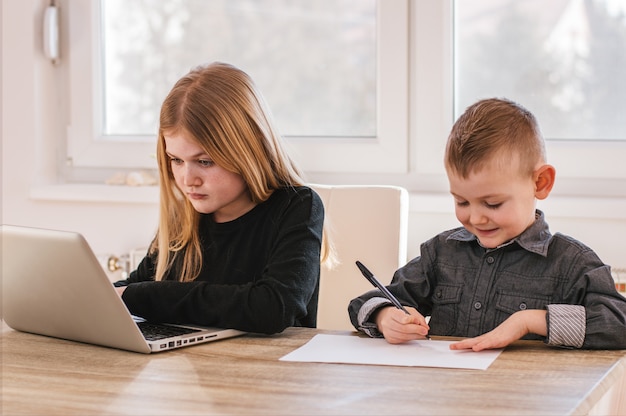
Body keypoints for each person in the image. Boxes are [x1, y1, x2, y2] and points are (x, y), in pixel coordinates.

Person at [348, 97, 626, 350]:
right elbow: (365, 303)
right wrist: (386, 317)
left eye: (493, 204)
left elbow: (619, 324)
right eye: (462, 202)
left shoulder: (571, 263)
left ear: (540, 183)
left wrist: (529, 321)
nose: (476, 218)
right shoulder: (441, 253)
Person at [114, 62, 332, 334]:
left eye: (204, 161)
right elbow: (136, 286)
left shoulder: (297, 207)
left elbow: (273, 308)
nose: (187, 179)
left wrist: (142, 298)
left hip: (270, 371)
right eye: (176, 160)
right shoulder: (184, 215)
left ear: (248, 150)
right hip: (190, 369)